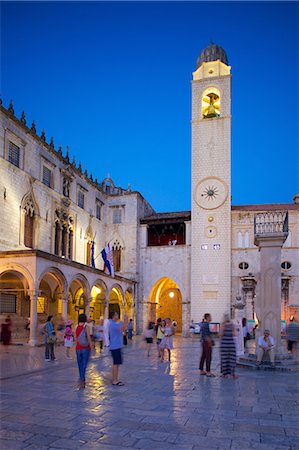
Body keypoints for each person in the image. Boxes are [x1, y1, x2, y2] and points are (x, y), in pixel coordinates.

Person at [109, 311, 127, 386]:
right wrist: (125, 320)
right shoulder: (112, 323)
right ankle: (115, 380)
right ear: (113, 316)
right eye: (116, 314)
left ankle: (114, 378)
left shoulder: (114, 323)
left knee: (116, 363)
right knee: (116, 363)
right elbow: (123, 328)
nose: (118, 315)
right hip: (115, 346)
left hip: (116, 345)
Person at [75, 313, 93, 388]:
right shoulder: (86, 326)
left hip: (78, 348)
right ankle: (81, 380)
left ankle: (82, 380)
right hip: (85, 348)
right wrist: (91, 345)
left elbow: (75, 338)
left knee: (80, 365)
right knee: (84, 365)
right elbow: (88, 337)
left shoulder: (76, 326)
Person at [220, 314, 237, 378]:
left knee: (224, 359)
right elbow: (235, 334)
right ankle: (232, 373)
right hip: (231, 344)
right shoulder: (232, 325)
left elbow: (220, 334)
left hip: (224, 344)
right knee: (232, 358)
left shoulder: (222, 325)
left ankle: (225, 374)